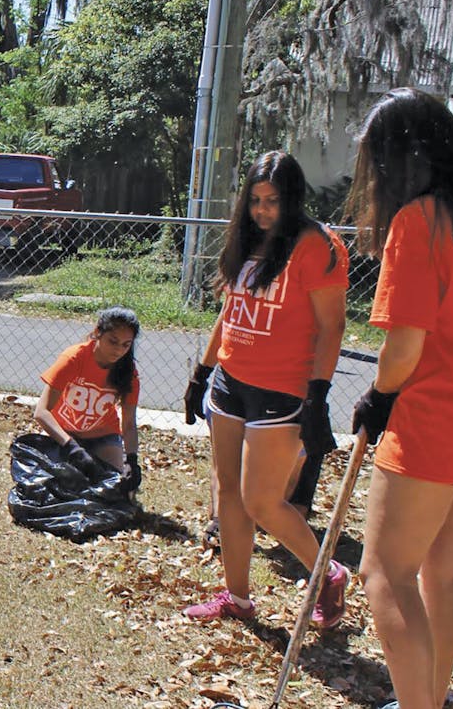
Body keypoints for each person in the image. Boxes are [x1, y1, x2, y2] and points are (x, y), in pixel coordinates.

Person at [345, 88, 453, 709]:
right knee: (446, 573)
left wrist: (379, 398)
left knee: (384, 574)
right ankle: (427, 700)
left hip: (434, 426)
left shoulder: (422, 222)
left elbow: (404, 351)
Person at [180, 151, 350, 629]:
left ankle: (328, 573)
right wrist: (202, 372)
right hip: (232, 384)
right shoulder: (247, 241)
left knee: (262, 501)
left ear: (292, 198)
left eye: (272, 201)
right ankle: (237, 596)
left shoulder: (316, 244)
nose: (262, 211)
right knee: (229, 495)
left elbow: (332, 326)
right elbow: (230, 312)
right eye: (254, 201)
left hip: (282, 391)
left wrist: (318, 395)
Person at [32, 307, 143, 489]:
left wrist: (131, 459)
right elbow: (41, 412)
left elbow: (129, 423)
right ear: (97, 333)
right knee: (52, 487)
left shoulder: (129, 372)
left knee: (116, 490)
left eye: (126, 345)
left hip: (103, 436)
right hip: (63, 434)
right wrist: (72, 447)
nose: (118, 350)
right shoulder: (74, 358)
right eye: (113, 341)